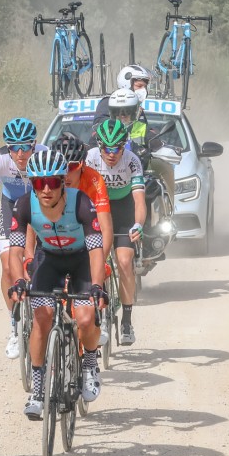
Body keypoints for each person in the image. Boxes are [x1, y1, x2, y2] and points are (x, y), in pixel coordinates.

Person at [7, 150, 107, 419]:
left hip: (81, 260)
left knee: (86, 318)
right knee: (42, 317)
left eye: (53, 182)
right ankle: (38, 391)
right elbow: (15, 252)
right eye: (40, 183)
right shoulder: (24, 205)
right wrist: (18, 280)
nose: (47, 189)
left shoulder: (82, 203)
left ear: (64, 182)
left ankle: (88, 365)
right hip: (48, 259)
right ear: (32, 184)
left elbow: (96, 251)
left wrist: (97, 285)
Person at [0, 118, 47, 359]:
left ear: (34, 145)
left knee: (32, 261)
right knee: (9, 267)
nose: (20, 153)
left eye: (26, 147)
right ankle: (15, 327)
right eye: (13, 147)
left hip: (40, 206)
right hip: (12, 206)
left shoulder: (44, 155)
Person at [85, 119, 146, 345]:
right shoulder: (90, 158)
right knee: (96, 259)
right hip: (97, 207)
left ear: (124, 146)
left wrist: (138, 224)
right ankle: (96, 312)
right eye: (107, 148)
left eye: (117, 148)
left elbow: (139, 200)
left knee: (124, 260)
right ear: (99, 146)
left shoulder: (132, 162)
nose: (111, 154)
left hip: (122, 209)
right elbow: (80, 193)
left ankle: (127, 320)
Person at [52, 132, 114, 348]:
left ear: (82, 165)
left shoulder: (94, 180)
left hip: (88, 233)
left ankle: (99, 317)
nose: (66, 174)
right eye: (62, 168)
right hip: (61, 235)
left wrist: (99, 262)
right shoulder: (50, 180)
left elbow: (105, 229)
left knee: (95, 272)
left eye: (73, 168)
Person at [107, 88, 176, 203]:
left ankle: (170, 208)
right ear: (112, 113)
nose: (122, 116)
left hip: (139, 171)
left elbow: (157, 145)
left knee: (163, 167)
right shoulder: (105, 129)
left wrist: (162, 151)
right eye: (118, 112)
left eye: (127, 111)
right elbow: (92, 144)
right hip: (110, 174)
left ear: (135, 112)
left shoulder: (144, 128)